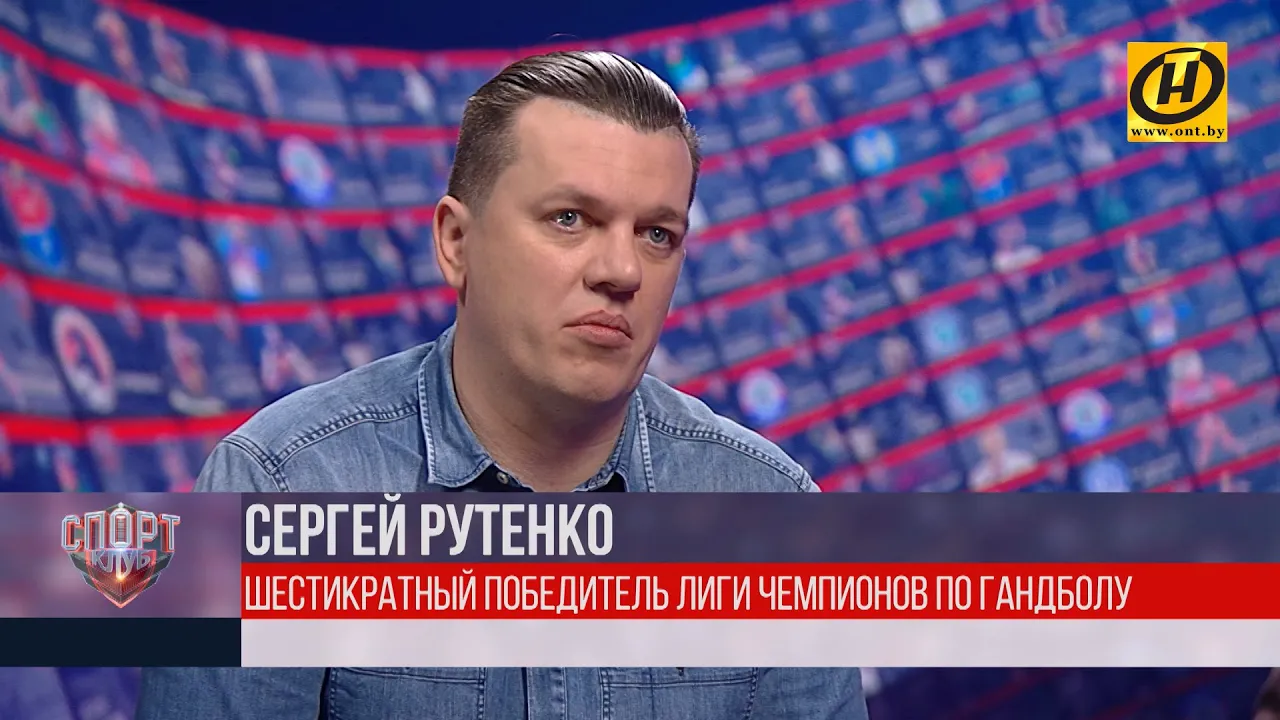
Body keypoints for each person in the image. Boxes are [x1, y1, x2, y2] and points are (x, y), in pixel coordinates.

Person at [135, 51, 868, 720]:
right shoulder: (282, 488)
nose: (622, 272)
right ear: (457, 242)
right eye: (570, 218)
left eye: (657, 234)